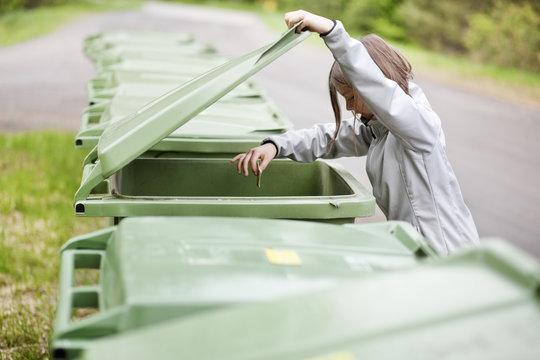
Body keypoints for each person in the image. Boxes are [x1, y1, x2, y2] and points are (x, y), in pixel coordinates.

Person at [231, 10, 479, 255]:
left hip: (446, 256)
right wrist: (276, 145)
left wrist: (332, 32)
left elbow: (380, 91)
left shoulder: (418, 127)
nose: (348, 107)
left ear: (374, 86)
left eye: (351, 97)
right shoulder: (378, 130)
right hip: (414, 250)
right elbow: (327, 137)